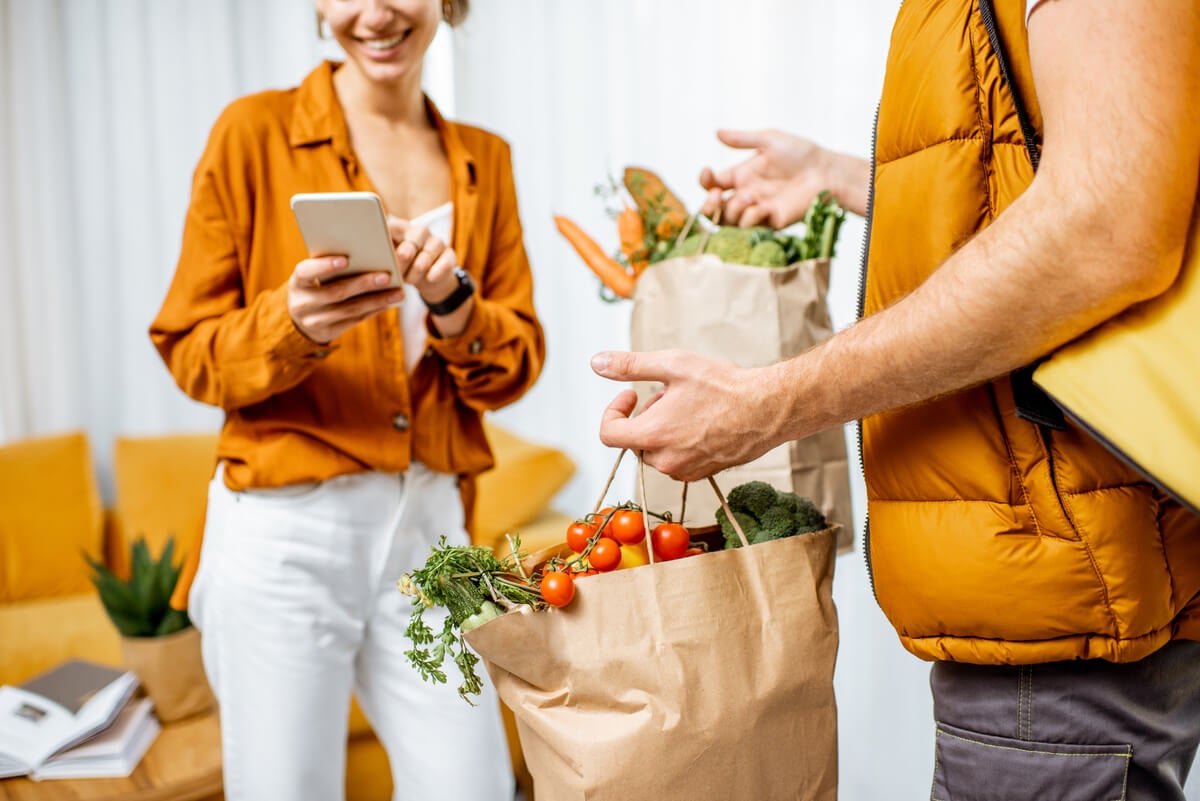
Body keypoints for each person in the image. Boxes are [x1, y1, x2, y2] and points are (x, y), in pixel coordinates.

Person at [594, 0, 1200, 798]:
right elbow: (1031, 178)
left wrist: (767, 404)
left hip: (1063, 598)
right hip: (1044, 587)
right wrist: (839, 176)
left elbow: (1105, 226)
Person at [149, 2, 543, 799]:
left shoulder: (484, 162)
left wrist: (453, 304)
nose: (376, 13)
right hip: (286, 533)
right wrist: (289, 323)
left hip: (432, 528)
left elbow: (516, 365)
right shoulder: (251, 134)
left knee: (473, 786)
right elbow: (189, 348)